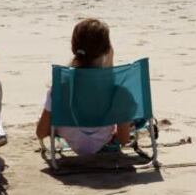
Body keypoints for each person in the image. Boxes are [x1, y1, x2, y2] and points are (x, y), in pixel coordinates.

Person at [34, 18, 132, 155]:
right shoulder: (119, 92)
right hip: (103, 139)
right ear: (107, 50)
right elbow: (123, 139)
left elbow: (40, 132)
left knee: (49, 115)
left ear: (74, 47)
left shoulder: (60, 87)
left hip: (70, 134)